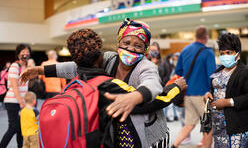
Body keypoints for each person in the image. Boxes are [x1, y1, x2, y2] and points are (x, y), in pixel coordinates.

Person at [21, 18, 187, 147]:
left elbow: (153, 85)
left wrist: (135, 97)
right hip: (112, 127)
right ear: (118, 43)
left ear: (145, 50)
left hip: (142, 128)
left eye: (138, 45)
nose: (131, 48)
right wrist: (42, 70)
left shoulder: (146, 66)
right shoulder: (109, 58)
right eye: (126, 42)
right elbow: (75, 67)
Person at [171, 26, 216, 148]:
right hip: (203, 96)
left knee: (189, 124)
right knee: (209, 127)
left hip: (188, 94)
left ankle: (174, 145)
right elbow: (212, 76)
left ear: (195, 36)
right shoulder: (208, 52)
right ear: (206, 37)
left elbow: (178, 71)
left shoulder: (185, 50)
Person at [204, 33, 248, 148]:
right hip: (218, 125)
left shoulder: (244, 72)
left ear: (237, 54)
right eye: (222, 53)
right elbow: (213, 89)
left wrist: (228, 102)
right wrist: (208, 95)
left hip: (236, 126)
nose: (225, 56)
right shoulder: (218, 72)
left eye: (229, 53)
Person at [0, 44, 31, 148]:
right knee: (13, 127)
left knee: (21, 128)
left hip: (21, 101)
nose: (25, 54)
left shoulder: (25, 67)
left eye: (27, 52)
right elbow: (14, 85)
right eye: (23, 52)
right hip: (13, 101)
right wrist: (21, 101)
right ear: (18, 54)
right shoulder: (15, 66)